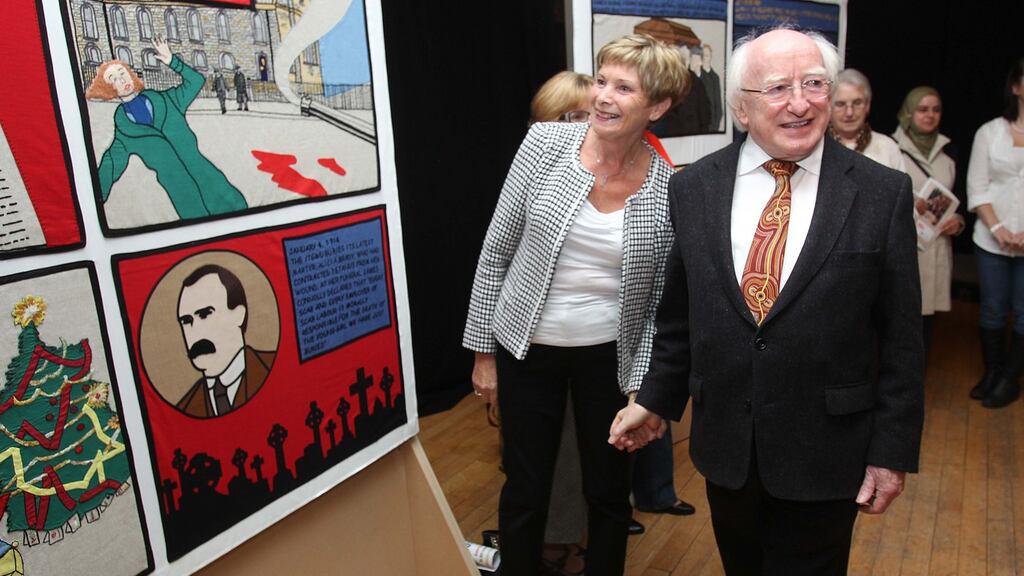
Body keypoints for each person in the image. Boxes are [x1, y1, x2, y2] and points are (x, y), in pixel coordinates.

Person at [609, 27, 924, 575]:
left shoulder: (881, 193)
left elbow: (901, 339)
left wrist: (890, 454)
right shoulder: (693, 188)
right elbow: (681, 317)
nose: (800, 103)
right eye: (778, 88)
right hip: (728, 449)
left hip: (829, 451)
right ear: (741, 107)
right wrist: (655, 399)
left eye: (813, 84)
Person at [463, 34, 686, 575]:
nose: (603, 97)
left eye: (624, 88)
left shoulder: (669, 188)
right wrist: (483, 354)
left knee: (609, 490)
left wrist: (643, 385)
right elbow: (497, 249)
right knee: (526, 485)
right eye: (602, 81)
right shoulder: (544, 145)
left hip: (608, 356)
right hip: (526, 346)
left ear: (656, 107)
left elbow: (659, 301)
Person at [85, 37, 247, 220]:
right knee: (201, 229)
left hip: (207, 174)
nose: (122, 80)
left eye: (122, 73)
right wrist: (91, 203)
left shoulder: (169, 99)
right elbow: (111, 165)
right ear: (109, 89)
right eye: (113, 79)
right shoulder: (125, 131)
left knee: (240, 213)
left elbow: (195, 82)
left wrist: (172, 61)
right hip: (180, 191)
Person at [966, 56, 1024, 408]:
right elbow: (977, 186)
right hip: (991, 240)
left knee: (1023, 309)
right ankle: (992, 372)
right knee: (992, 309)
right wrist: (1000, 228)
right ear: (1015, 87)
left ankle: (1008, 380)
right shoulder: (989, 132)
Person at [893, 86, 965, 357]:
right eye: (923, 109)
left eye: (936, 110)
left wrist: (957, 221)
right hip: (905, 247)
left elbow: (956, 202)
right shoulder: (891, 150)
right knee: (897, 319)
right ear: (909, 113)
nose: (930, 115)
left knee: (925, 324)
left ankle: (916, 383)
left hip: (935, 247)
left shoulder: (948, 156)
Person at [176, 264, 276, 418]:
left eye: (204, 314)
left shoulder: (273, 367)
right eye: (186, 321)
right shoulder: (185, 408)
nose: (195, 330)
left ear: (238, 315)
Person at [829, 68, 905, 171]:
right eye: (840, 104)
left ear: (868, 105)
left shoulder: (887, 147)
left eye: (857, 103)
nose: (849, 112)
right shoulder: (819, 147)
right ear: (828, 107)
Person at [651, 43, 710, 138]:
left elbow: (704, 110)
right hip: (673, 134)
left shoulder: (694, 81)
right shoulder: (660, 80)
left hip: (688, 134)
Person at [700, 44, 723, 132]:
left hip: (712, 126)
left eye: (707, 55)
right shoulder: (697, 76)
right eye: (703, 55)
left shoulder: (715, 77)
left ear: (710, 57)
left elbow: (718, 104)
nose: (705, 58)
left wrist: (714, 127)